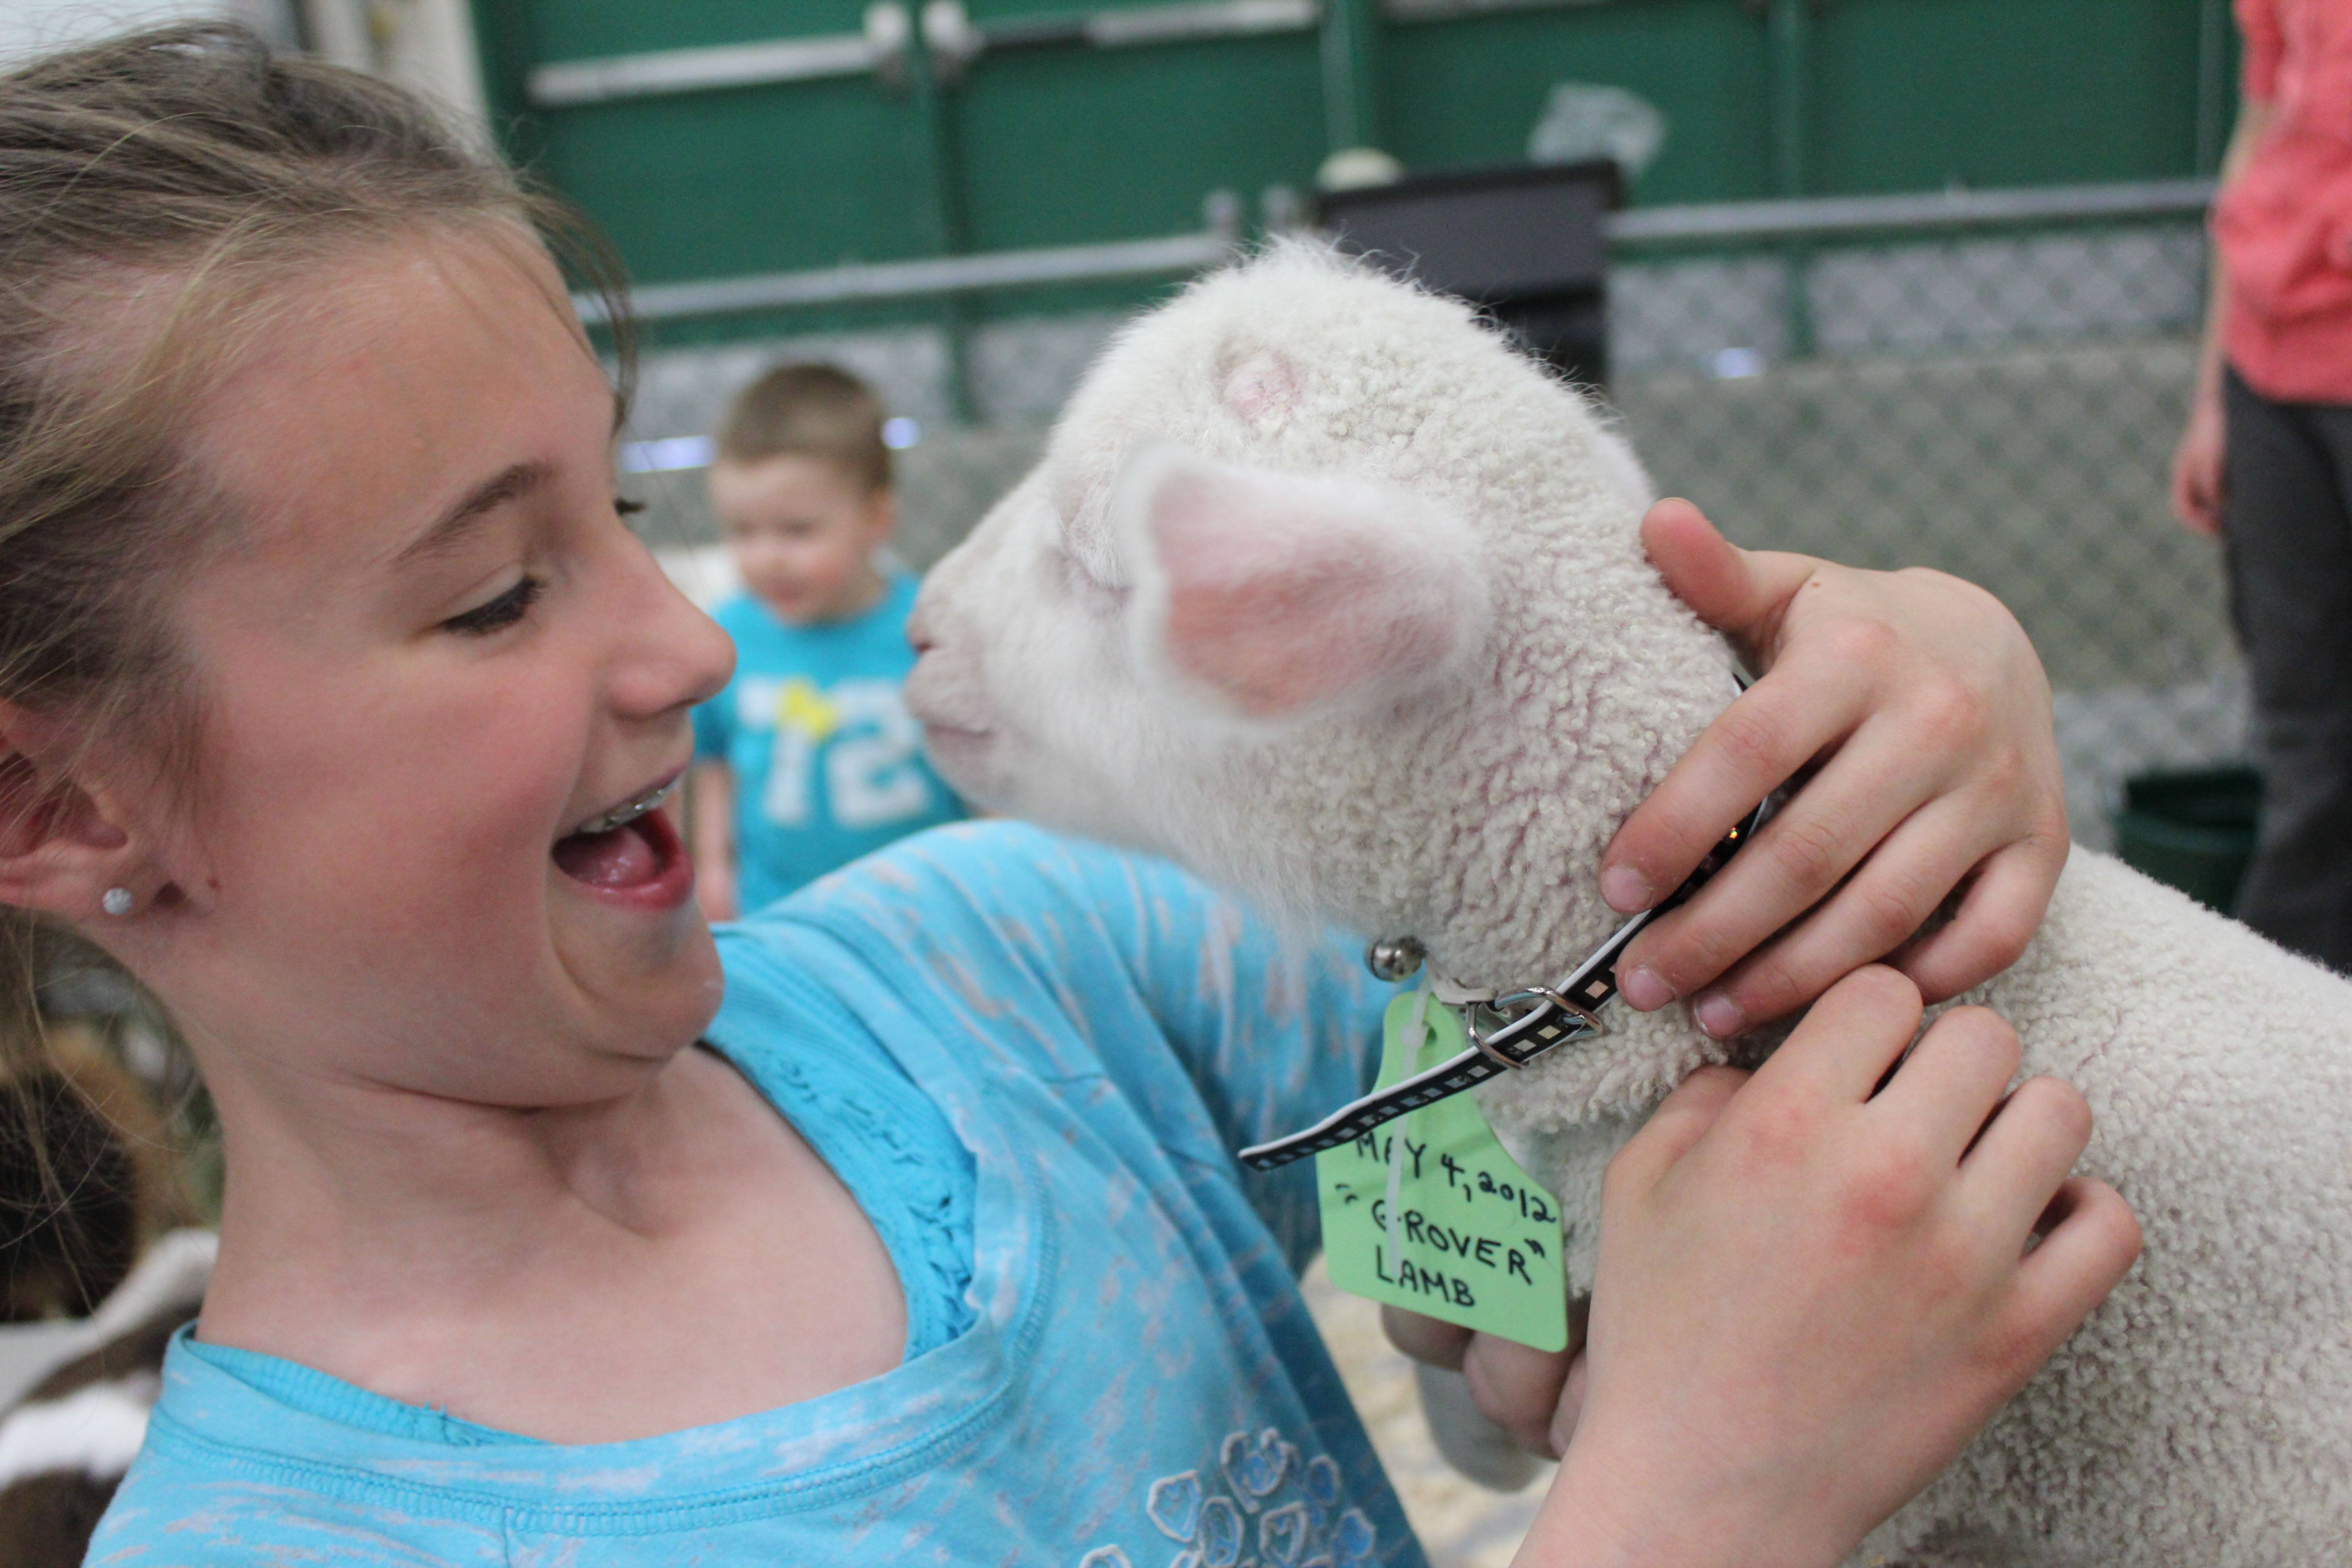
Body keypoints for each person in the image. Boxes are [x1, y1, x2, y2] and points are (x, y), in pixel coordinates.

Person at [0, 27, 2134, 1568]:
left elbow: (1587, 920)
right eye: (492, 592)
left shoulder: (1007, 967)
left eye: (628, 500)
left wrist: (1882, 674)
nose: (687, 645)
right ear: (61, 798)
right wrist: (1699, 1493)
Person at [2171, 0, 2352, 968]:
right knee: (2304, 733)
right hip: (2269, 378)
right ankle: (2300, 1021)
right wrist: (2213, 401)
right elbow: (2258, 138)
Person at [687, 363, 963, 921]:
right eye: (743, 531)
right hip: (781, 914)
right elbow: (712, 761)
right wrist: (713, 869)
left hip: (924, 914)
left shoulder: (931, 631)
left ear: (876, 518)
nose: (768, 558)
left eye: (798, 531)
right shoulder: (726, 637)